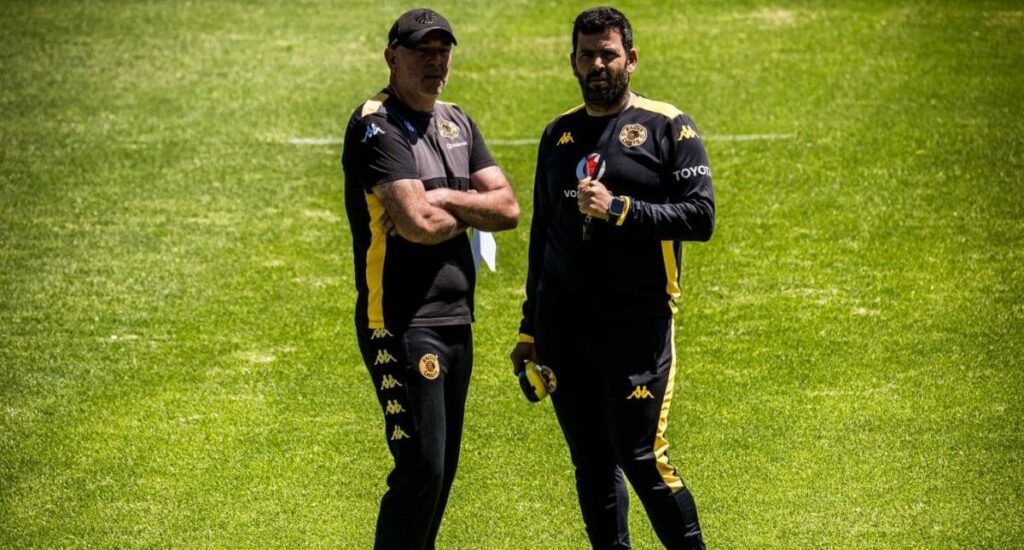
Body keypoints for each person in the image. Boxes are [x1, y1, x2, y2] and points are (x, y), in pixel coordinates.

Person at [510, 7, 713, 549]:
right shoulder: (558, 134)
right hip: (564, 330)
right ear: (573, 61)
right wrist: (530, 330)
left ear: (632, 58)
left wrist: (621, 209)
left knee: (642, 456)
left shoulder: (669, 126)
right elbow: (541, 238)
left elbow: (701, 217)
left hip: (637, 326)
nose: (597, 65)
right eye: (587, 55)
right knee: (592, 465)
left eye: (608, 54)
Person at [342, 8, 519, 549]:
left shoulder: (457, 120)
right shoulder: (377, 124)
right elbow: (415, 224)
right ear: (392, 57)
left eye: (443, 50)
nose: (435, 61)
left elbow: (509, 208)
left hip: (456, 318)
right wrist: (466, 205)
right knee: (421, 467)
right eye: (423, 50)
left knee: (438, 476)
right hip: (398, 319)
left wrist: (443, 196)